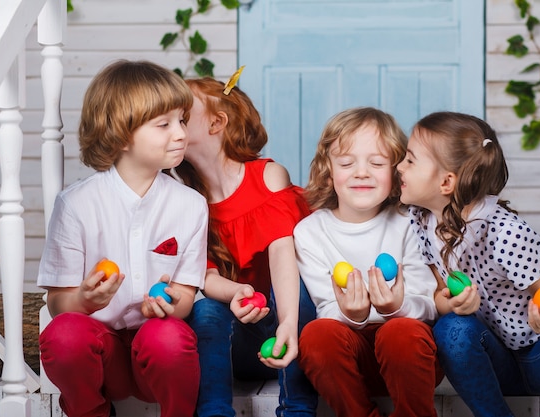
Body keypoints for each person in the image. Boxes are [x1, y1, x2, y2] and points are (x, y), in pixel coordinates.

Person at [397, 111, 540, 417]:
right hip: (493, 362)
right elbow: (440, 295)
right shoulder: (420, 221)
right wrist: (454, 305)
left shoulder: (505, 233)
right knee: (451, 327)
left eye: (410, 160)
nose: (399, 166)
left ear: (445, 182)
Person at [38, 60, 209, 417]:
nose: (180, 134)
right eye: (163, 124)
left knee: (169, 335)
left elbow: (186, 298)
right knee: (64, 334)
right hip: (104, 358)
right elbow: (58, 304)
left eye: (181, 120)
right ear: (121, 133)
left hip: (157, 358)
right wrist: (84, 299)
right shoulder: (76, 204)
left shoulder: (190, 205)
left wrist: (167, 305)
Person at [174, 77, 318, 417]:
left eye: (181, 116)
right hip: (243, 343)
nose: (171, 126)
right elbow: (205, 276)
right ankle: (214, 411)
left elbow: (284, 253)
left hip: (290, 332)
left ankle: (297, 410)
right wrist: (236, 291)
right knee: (207, 308)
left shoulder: (267, 176)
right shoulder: (188, 201)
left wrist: (286, 321)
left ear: (216, 122)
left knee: (300, 292)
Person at [293, 107, 443, 417]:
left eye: (376, 163)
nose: (362, 172)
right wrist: (354, 314)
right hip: (349, 361)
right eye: (347, 163)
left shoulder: (410, 221)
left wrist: (395, 308)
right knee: (316, 334)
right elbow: (327, 309)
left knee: (399, 332)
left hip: (412, 358)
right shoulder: (310, 231)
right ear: (328, 170)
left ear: (396, 171)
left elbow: (430, 304)